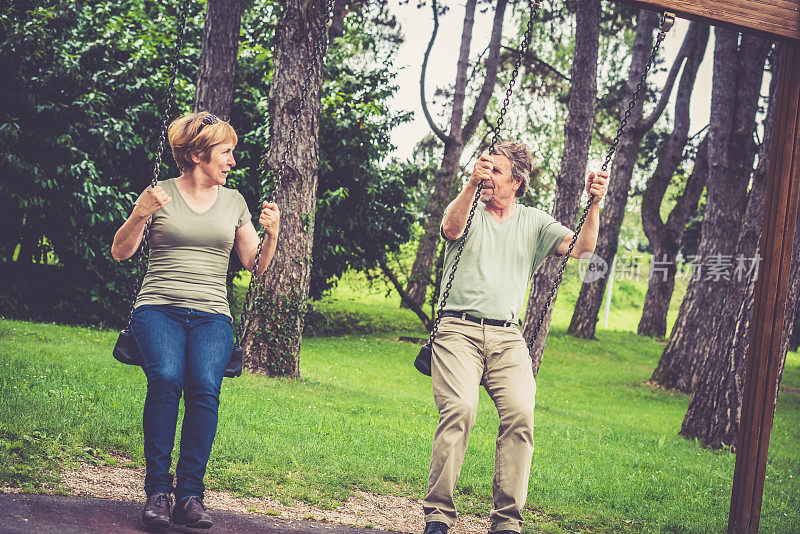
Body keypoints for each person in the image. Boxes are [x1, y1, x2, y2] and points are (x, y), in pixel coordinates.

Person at [421, 141, 608, 534]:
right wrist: (471, 184)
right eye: (484, 169)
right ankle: (438, 515)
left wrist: (594, 204)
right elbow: (449, 229)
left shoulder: (534, 223)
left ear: (518, 182)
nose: (487, 177)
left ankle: (506, 522)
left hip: (507, 337)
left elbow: (584, 248)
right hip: (457, 329)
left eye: (496, 172)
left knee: (521, 414)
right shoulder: (469, 206)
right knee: (460, 408)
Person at [110, 112, 280, 529]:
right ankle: (158, 493)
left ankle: (190, 496)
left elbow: (253, 265)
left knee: (204, 387)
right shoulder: (160, 195)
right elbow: (121, 252)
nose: (233, 161)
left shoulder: (235, 201)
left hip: (212, 316)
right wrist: (139, 213)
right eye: (226, 152)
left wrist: (272, 234)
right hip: (158, 309)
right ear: (199, 154)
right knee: (167, 378)